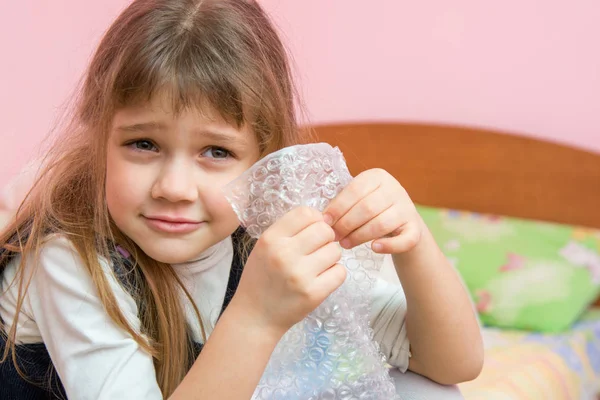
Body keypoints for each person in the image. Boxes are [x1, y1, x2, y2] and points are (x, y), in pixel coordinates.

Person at [0, 1, 483, 399]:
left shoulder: (260, 231)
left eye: (216, 151)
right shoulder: (67, 255)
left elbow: (453, 364)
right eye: (143, 144)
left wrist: (414, 245)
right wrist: (256, 315)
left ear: (263, 161)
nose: (174, 186)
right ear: (100, 138)